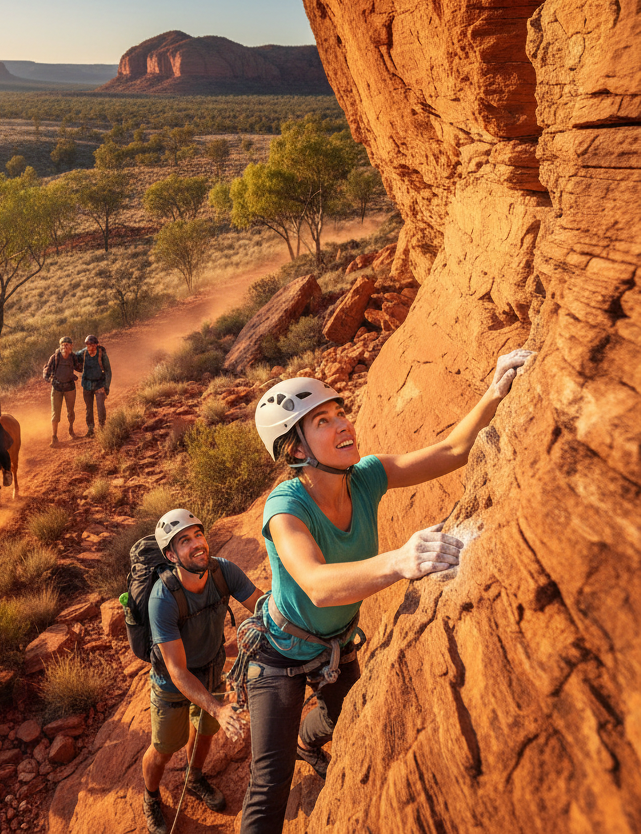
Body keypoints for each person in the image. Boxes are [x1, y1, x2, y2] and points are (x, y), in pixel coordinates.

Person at [237, 348, 534, 833]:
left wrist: (495, 389)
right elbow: (316, 585)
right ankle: (294, 743)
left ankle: (306, 737)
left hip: (333, 645)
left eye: (340, 413)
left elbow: (452, 451)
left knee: (344, 721)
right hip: (279, 654)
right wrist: (399, 560)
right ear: (295, 449)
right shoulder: (284, 507)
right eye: (322, 422)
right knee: (270, 784)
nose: (342, 425)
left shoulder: (366, 477)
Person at [143, 508, 264, 834]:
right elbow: (178, 670)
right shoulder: (163, 598)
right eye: (185, 541)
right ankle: (151, 796)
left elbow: (261, 607)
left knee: (205, 730)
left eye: (198, 535)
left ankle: (194, 777)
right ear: (171, 554)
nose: (197, 544)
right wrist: (218, 708)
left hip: (210, 670)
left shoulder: (223, 571)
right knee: (166, 747)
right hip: (172, 683)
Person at [42, 335, 82, 446]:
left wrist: (84, 358)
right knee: (55, 414)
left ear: (71, 346)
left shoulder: (73, 357)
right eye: (62, 345)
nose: (64, 347)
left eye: (67, 345)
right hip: (57, 388)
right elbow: (47, 369)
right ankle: (54, 437)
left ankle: (71, 430)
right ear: (60, 346)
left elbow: (79, 368)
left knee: (71, 412)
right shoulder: (55, 357)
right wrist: (47, 378)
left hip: (70, 387)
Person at [77, 334, 111, 437]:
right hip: (87, 384)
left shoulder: (102, 354)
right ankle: (90, 429)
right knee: (89, 408)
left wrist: (106, 386)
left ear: (97, 344)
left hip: (99, 384)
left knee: (100, 406)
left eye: (92, 344)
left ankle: (102, 427)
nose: (89, 347)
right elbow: (72, 356)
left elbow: (108, 371)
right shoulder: (83, 353)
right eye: (87, 344)